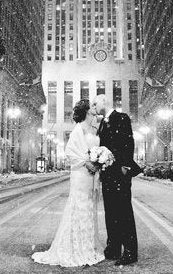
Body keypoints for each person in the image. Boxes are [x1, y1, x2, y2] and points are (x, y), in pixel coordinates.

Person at [32, 99, 105, 267]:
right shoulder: (78, 129)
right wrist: (86, 162)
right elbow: (70, 152)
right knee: (79, 206)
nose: (96, 108)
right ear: (87, 111)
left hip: (92, 174)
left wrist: (99, 160)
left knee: (89, 207)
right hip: (81, 173)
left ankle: (87, 245)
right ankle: (74, 246)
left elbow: (94, 149)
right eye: (93, 106)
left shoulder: (94, 128)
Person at [92, 93, 142, 266]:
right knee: (111, 212)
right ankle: (113, 247)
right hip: (107, 175)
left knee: (124, 213)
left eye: (95, 103)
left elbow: (128, 143)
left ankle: (130, 251)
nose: (93, 106)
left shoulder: (121, 117)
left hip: (119, 175)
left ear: (104, 102)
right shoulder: (102, 124)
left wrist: (125, 167)